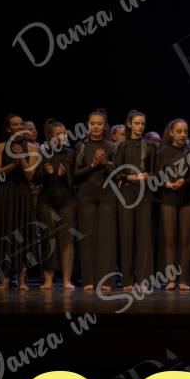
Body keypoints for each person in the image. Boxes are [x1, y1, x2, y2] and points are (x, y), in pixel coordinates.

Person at [0, 114, 40, 290]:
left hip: (23, 194)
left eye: (21, 124)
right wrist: (13, 165)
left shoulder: (32, 147)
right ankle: (4, 278)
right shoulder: (0, 147)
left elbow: (30, 175)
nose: (19, 127)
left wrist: (22, 159)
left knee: (24, 233)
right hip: (5, 193)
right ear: (8, 129)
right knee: (5, 231)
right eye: (15, 124)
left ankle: (23, 279)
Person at [112, 109, 156, 291]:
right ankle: (127, 281)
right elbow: (116, 172)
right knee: (127, 235)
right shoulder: (122, 146)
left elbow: (154, 172)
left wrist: (149, 176)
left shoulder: (150, 147)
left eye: (142, 124)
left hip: (144, 194)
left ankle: (143, 279)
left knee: (144, 236)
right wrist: (132, 177)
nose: (140, 127)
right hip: (126, 193)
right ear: (129, 124)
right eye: (137, 123)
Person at [74, 109, 118, 292]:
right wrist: (93, 164)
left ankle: (106, 280)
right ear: (88, 125)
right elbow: (76, 174)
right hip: (87, 195)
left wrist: (105, 162)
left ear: (105, 125)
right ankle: (88, 280)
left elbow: (117, 173)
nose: (96, 127)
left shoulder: (112, 146)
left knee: (106, 238)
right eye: (93, 124)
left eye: (99, 124)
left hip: (107, 194)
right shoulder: (81, 146)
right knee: (87, 238)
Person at [37, 120, 76, 290]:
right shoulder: (43, 152)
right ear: (50, 136)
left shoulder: (71, 153)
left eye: (64, 133)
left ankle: (67, 280)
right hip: (47, 200)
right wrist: (47, 173)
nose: (62, 136)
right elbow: (35, 178)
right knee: (48, 239)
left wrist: (64, 174)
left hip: (67, 200)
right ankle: (48, 280)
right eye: (58, 133)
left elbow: (76, 178)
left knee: (66, 240)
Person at [156, 119, 190, 290]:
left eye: (185, 131)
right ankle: (171, 280)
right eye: (179, 131)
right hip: (168, 196)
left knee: (185, 239)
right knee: (170, 239)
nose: (183, 135)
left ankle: (184, 279)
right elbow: (157, 173)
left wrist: (184, 181)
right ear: (171, 133)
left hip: (186, 197)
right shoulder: (163, 152)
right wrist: (167, 183)